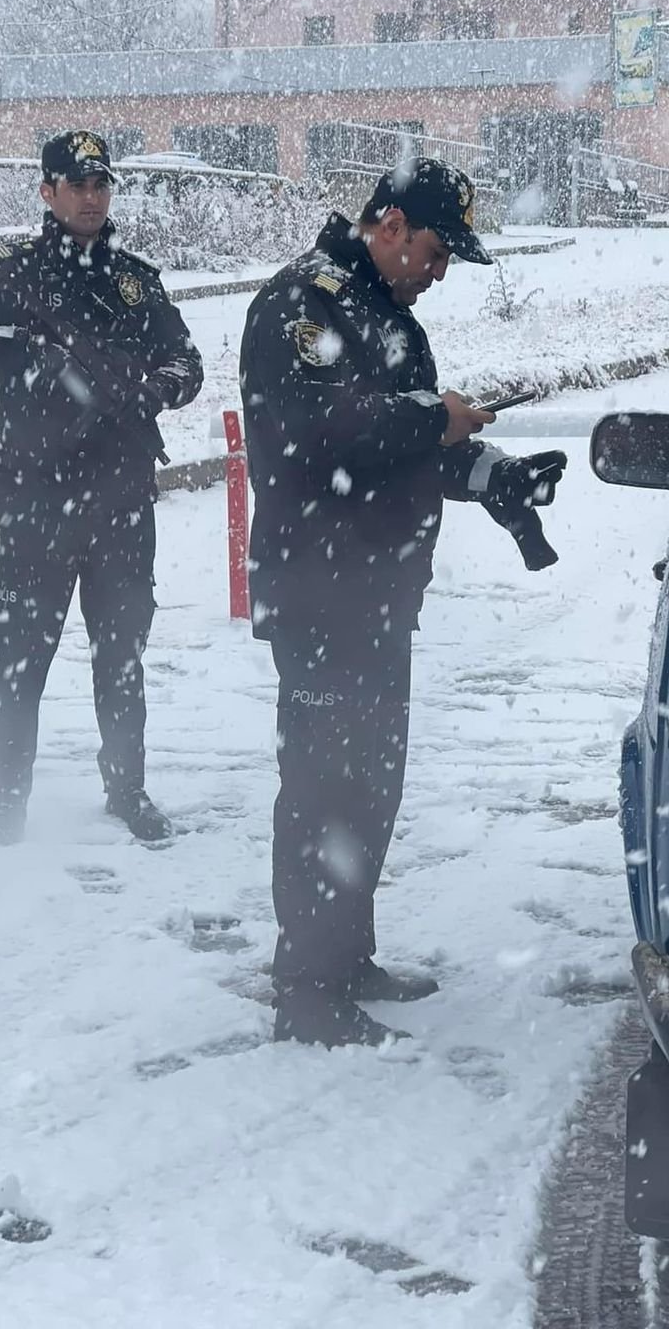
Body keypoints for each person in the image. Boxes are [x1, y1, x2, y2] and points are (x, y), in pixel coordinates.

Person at [238, 158, 567, 1047]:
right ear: (386, 224)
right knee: (320, 787)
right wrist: (436, 420)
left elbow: (403, 442)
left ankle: (347, 954)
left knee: (371, 782)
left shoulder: (390, 318)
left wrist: (491, 474)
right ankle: (308, 992)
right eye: (433, 248)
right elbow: (320, 436)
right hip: (317, 588)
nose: (440, 269)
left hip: (380, 592)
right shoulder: (304, 304)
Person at [0, 131, 203, 848]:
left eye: (100, 183)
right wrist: (21, 340)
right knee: (21, 659)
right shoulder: (11, 270)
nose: (90, 195)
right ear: (47, 192)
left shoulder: (134, 279)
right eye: (75, 183)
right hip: (38, 500)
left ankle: (127, 790)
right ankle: (5, 807)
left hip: (119, 500)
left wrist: (153, 388)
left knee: (121, 655)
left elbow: (187, 363)